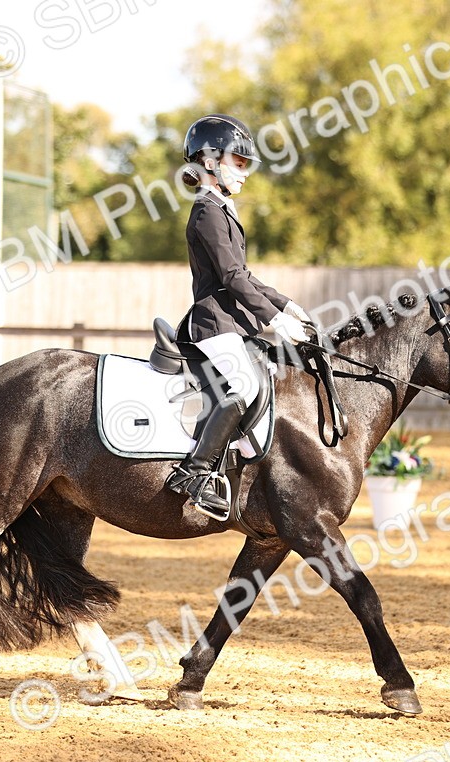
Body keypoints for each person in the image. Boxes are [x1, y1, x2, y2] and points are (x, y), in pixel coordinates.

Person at [165, 113, 311, 517]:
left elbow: (245, 275)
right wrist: (274, 320)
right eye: (239, 163)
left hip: (233, 319)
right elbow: (230, 277)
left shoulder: (222, 209)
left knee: (266, 378)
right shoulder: (207, 213)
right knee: (245, 385)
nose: (245, 173)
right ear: (210, 161)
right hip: (213, 320)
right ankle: (194, 474)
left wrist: (285, 304)